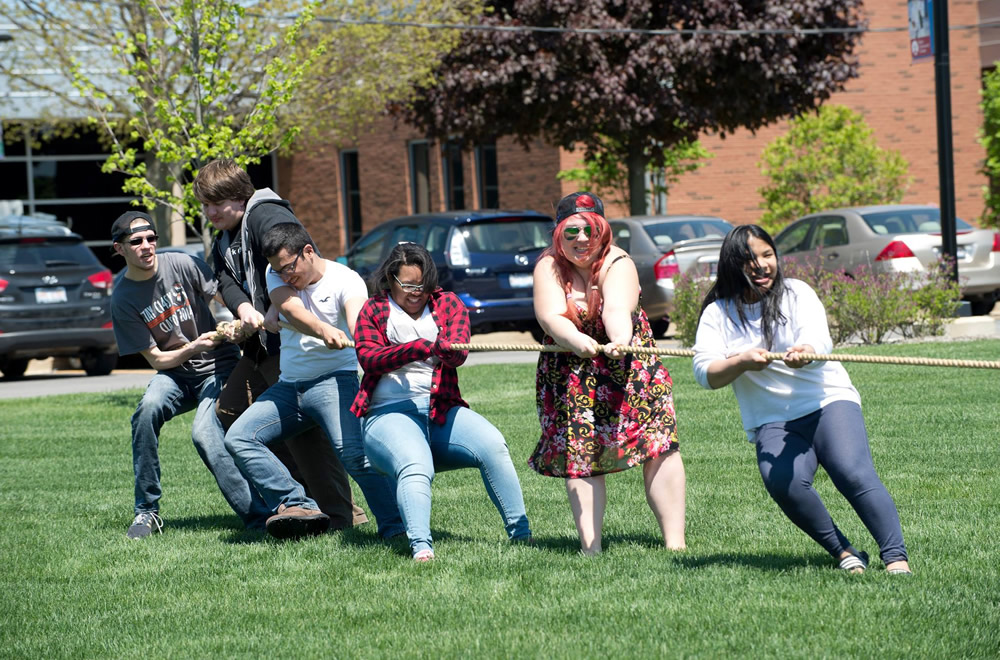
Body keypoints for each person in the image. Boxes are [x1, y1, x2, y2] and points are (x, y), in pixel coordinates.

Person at [692, 224, 912, 574]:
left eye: (767, 255)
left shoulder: (797, 293)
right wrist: (740, 362)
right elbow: (705, 373)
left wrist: (807, 350)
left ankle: (896, 557)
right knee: (784, 482)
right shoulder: (718, 314)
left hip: (827, 401)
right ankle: (844, 552)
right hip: (773, 418)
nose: (762, 265)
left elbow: (818, 339)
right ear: (733, 264)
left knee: (851, 472)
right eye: (751, 259)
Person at [192, 159, 366, 531]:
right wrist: (244, 309)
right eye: (204, 205)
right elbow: (223, 278)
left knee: (305, 437)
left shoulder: (264, 215)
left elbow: (295, 264)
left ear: (239, 197)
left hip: (287, 344)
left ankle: (342, 516)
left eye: (215, 204)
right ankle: (295, 502)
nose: (209, 213)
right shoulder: (226, 237)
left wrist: (272, 307)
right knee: (230, 414)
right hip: (259, 346)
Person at [350, 243, 532, 561]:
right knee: (415, 464)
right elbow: (370, 358)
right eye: (407, 285)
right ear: (390, 279)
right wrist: (418, 347)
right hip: (387, 414)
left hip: (441, 410)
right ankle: (421, 547)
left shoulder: (448, 303)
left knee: (493, 445)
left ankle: (522, 535)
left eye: (422, 285)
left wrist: (448, 349)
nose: (416, 293)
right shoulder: (374, 309)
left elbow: (459, 354)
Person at [223, 223, 404, 539]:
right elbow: (290, 308)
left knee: (355, 457)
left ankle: (397, 528)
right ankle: (297, 505)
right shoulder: (277, 273)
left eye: (290, 268)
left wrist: (360, 338)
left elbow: (356, 319)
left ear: (308, 251)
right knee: (239, 437)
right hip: (290, 388)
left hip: (335, 382)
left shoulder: (346, 281)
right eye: (280, 271)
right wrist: (322, 330)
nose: (286, 276)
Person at [530, 191, 686, 555]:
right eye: (572, 232)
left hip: (630, 366)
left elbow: (617, 308)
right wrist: (576, 340)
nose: (582, 239)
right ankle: (591, 547)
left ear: (603, 230)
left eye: (590, 229)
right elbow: (550, 316)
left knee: (659, 445)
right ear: (558, 234)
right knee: (581, 453)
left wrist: (618, 339)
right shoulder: (548, 267)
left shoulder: (618, 262)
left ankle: (676, 544)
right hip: (572, 372)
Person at [109, 211, 270, 539]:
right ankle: (147, 512)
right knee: (146, 411)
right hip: (176, 373)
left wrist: (242, 317)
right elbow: (156, 358)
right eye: (136, 241)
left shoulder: (181, 263)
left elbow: (223, 293)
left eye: (151, 239)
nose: (146, 246)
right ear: (119, 249)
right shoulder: (123, 298)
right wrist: (192, 348)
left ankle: (258, 517)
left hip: (219, 367)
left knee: (204, 434)